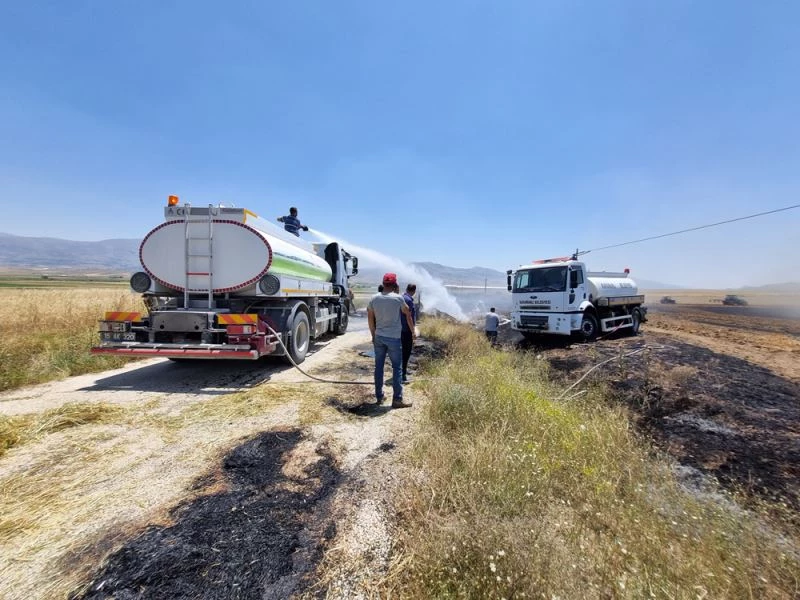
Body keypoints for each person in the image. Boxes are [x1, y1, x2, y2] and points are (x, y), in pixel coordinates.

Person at [367, 273, 415, 408]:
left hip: (379, 337)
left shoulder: (374, 298)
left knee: (379, 368)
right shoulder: (398, 299)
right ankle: (397, 399)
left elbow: (370, 319)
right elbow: (408, 315)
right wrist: (412, 332)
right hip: (394, 338)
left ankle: (379, 396)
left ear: (383, 283)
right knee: (397, 368)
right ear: (395, 284)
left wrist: (373, 335)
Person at [400, 283, 417, 383]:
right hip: (406, 330)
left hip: (400, 330)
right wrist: (413, 331)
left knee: (401, 352)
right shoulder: (409, 300)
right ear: (414, 291)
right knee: (406, 353)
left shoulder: (401, 298)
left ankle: (401, 372)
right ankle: (403, 375)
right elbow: (409, 317)